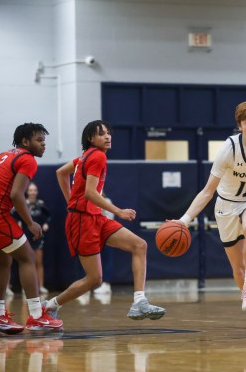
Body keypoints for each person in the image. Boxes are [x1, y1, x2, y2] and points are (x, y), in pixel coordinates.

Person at [175, 100, 246, 334]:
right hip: (226, 205)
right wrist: (184, 220)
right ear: (240, 126)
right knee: (237, 268)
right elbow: (207, 191)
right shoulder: (229, 149)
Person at [44, 120, 165, 321]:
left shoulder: (84, 157)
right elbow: (91, 193)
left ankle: (139, 302)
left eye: (108, 133)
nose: (107, 136)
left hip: (94, 217)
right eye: (101, 134)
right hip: (83, 221)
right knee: (94, 279)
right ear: (90, 138)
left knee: (139, 245)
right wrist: (119, 211)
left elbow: (61, 173)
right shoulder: (97, 156)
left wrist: (71, 201)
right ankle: (50, 306)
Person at [0, 123, 62, 334]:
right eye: (39, 140)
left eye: (45, 140)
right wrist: (30, 223)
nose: (44, 144)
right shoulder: (27, 159)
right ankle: (36, 316)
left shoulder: (4, 154)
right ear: (25, 142)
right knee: (27, 257)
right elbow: (16, 195)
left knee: (3, 259)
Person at [12, 182, 51, 295]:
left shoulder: (41, 204)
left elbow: (48, 216)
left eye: (34, 190)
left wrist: (46, 224)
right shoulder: (22, 204)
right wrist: (18, 223)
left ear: (37, 192)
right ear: (27, 192)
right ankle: (27, 288)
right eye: (30, 190)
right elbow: (14, 216)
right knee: (27, 262)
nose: (33, 192)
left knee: (39, 262)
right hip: (25, 237)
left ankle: (41, 285)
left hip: (38, 237)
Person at [93, 192, 115, 296]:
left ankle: (106, 285)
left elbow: (110, 218)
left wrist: (100, 209)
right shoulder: (89, 201)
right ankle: (90, 284)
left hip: (106, 234)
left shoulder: (107, 201)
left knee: (107, 258)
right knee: (94, 260)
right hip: (93, 235)